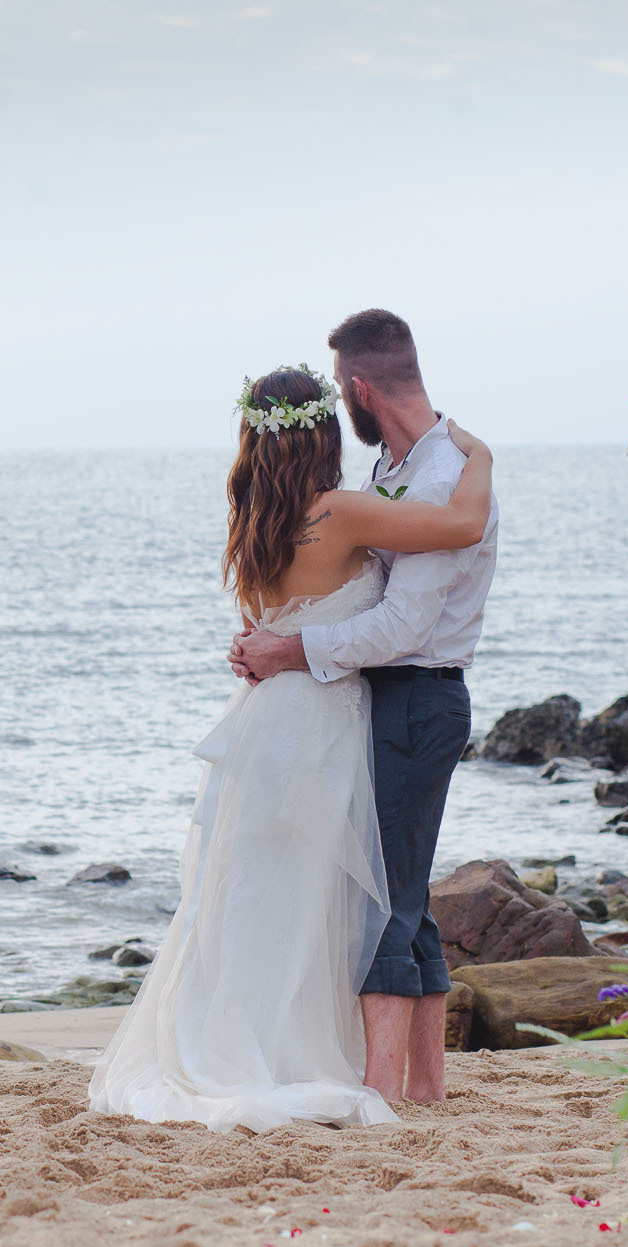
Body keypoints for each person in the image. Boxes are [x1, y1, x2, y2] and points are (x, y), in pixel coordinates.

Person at [88, 361, 491, 1132]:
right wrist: (483, 459)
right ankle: (296, 1058)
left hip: (265, 719)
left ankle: (247, 1040)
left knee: (259, 895)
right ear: (323, 435)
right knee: (318, 897)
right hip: (320, 722)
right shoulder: (341, 512)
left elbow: (269, 626)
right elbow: (462, 525)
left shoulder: (252, 520)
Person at [230, 309, 499, 1107]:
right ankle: (425, 1090)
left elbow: (404, 624)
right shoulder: (389, 471)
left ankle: (384, 1091)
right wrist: (288, 643)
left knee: (383, 899)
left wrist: (289, 649)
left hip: (416, 694)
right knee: (402, 896)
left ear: (358, 387)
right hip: (374, 698)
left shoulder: (447, 472)